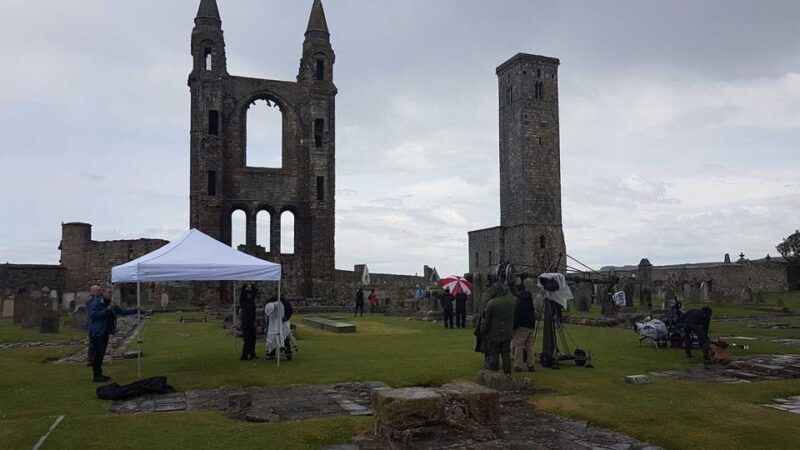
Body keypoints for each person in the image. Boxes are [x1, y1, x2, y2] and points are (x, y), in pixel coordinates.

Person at [88, 288, 138, 382]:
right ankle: (96, 375)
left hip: (105, 331)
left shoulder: (110, 303)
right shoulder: (96, 303)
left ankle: (99, 374)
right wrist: (107, 310)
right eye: (109, 292)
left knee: (101, 354)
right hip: (98, 332)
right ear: (103, 293)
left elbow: (122, 311)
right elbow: (94, 316)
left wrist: (135, 310)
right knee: (98, 354)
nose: (111, 294)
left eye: (112, 292)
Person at [480, 283, 516, 375]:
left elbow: (487, 321)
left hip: (494, 333)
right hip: (507, 332)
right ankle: (507, 373)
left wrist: (483, 331)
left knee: (494, 353)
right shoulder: (512, 301)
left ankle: (494, 373)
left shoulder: (492, 303)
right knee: (506, 353)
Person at [512, 287, 536, 372]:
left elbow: (517, 314)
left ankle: (518, 365)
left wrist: (514, 326)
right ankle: (531, 364)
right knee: (530, 346)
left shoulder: (520, 301)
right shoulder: (529, 300)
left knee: (519, 345)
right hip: (530, 325)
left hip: (522, 326)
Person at [239, 284, 258, 361]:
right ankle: (244, 355)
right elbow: (242, 294)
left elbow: (254, 293)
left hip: (251, 322)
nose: (249, 296)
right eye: (248, 294)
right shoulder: (243, 302)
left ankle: (252, 354)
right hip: (246, 322)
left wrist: (252, 284)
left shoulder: (251, 301)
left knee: (253, 338)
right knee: (247, 339)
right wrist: (245, 285)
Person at [85, 285, 102, 367]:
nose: (99, 291)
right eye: (97, 290)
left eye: (99, 290)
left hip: (96, 323)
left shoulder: (98, 298)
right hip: (92, 323)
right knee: (92, 342)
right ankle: (90, 359)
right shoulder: (90, 300)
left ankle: (95, 359)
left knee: (97, 342)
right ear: (93, 291)